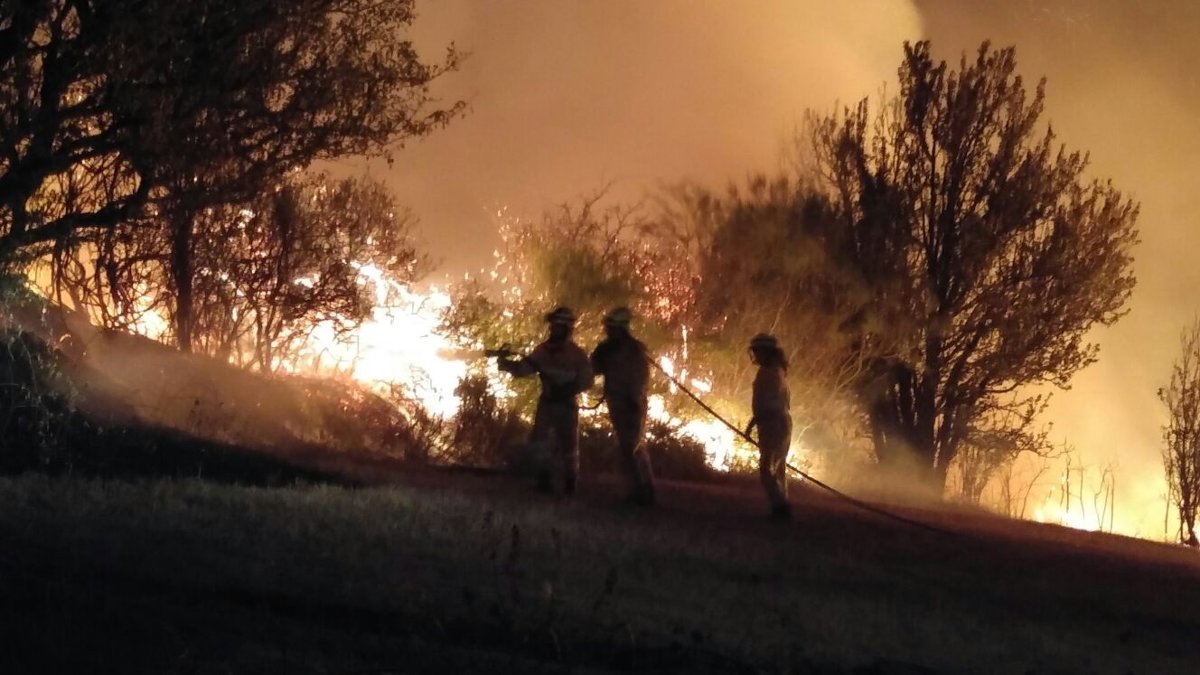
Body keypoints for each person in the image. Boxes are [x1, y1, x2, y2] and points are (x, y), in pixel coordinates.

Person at [497, 306, 593, 495]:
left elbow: (586, 380)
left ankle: (570, 483)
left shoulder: (577, 355)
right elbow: (525, 369)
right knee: (540, 442)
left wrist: (567, 389)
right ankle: (543, 480)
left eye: (558, 327)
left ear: (567, 329)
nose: (553, 330)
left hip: (566, 405)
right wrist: (507, 365)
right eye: (553, 326)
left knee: (569, 445)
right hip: (547, 403)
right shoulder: (543, 350)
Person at [590, 306, 656, 506]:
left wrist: (634, 402)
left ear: (620, 327)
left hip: (632, 403)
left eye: (610, 327)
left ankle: (639, 492)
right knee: (633, 446)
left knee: (630, 447)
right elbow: (591, 368)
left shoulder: (635, 350)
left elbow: (640, 378)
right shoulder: (607, 349)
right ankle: (644, 490)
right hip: (617, 402)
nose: (607, 330)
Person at [744, 333, 792, 520]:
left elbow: (765, 405)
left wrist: (752, 425)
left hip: (773, 423)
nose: (755, 355)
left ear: (766, 352)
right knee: (778, 468)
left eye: (757, 351)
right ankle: (781, 506)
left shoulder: (767, 373)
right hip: (780, 422)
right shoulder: (778, 371)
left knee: (767, 469)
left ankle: (780, 507)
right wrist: (753, 425)